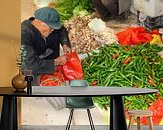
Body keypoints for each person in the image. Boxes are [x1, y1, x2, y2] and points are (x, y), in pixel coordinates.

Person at [21, 7, 72, 85]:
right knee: (32, 79)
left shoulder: (47, 26)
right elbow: (32, 64)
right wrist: (56, 62)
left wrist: (65, 43)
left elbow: (61, 29)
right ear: (41, 24)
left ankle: (52, 73)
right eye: (51, 28)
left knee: (56, 78)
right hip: (32, 63)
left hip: (46, 52)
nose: (53, 30)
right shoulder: (23, 34)